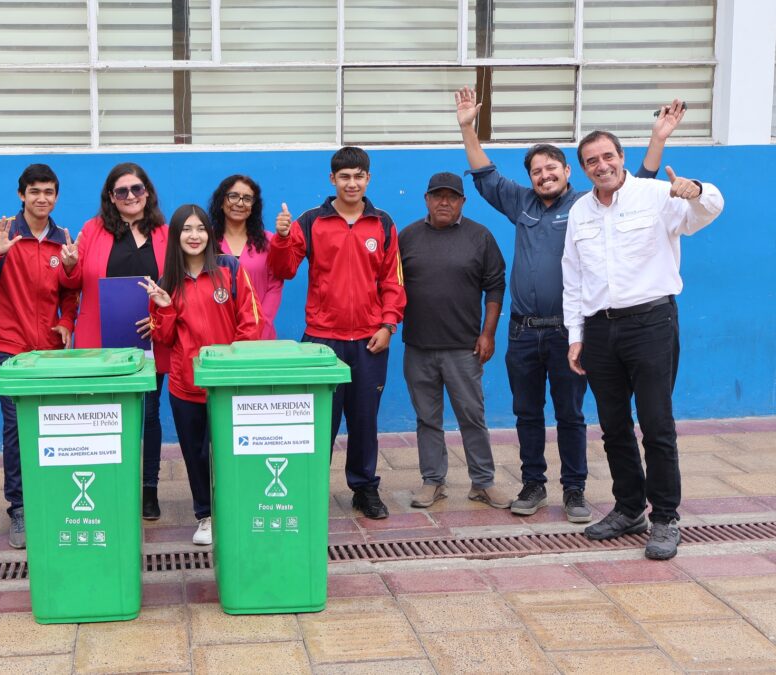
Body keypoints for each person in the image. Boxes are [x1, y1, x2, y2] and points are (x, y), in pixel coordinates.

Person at [454, 86, 686, 523]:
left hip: (570, 331)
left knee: (571, 415)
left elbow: (640, 184)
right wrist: (468, 128)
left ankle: (576, 490)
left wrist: (658, 140)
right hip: (523, 331)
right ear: (530, 178)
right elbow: (485, 175)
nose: (544, 175)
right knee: (526, 413)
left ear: (568, 171)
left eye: (551, 167)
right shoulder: (519, 202)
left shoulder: (588, 204)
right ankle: (533, 483)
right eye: (536, 170)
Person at [563, 130, 723, 560]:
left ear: (621, 157)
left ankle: (666, 518)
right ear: (584, 169)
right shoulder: (580, 211)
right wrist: (576, 337)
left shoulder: (657, 194)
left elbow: (707, 211)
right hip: (599, 331)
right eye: (592, 161)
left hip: (651, 323)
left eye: (608, 156)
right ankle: (629, 507)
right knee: (613, 427)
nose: (602, 165)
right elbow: (573, 278)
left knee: (656, 425)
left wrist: (697, 191)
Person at [268, 146, 405, 520]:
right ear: (332, 180)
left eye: (359, 176)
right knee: (315, 422)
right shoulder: (311, 221)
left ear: (368, 179)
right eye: (344, 176)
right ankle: (308, 488)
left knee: (364, 420)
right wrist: (281, 237)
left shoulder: (383, 223)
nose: (352, 183)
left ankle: (364, 489)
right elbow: (284, 269)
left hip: (369, 340)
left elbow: (392, 281)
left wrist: (388, 324)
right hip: (321, 340)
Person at [141, 204, 261, 544]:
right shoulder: (167, 282)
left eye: (201, 229)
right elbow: (162, 338)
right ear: (176, 237)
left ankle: (237, 508)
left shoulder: (230, 269)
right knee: (196, 454)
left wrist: (231, 367)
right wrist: (164, 308)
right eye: (186, 230)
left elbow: (250, 322)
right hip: (185, 385)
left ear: (210, 234)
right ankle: (205, 516)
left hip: (226, 384)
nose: (194, 236)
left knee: (229, 450)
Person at [0, 163, 79, 549]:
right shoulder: (1, 234)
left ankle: (51, 495)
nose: (42, 199)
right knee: (16, 428)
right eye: (34, 191)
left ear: (56, 196)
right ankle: (19, 508)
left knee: (52, 425)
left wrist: (67, 320)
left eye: (49, 192)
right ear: (22, 195)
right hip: (8, 348)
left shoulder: (62, 242)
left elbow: (71, 292)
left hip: (50, 350)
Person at [64, 162, 169, 521]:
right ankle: (107, 485)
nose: (130, 196)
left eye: (136, 189)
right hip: (100, 340)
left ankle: (148, 489)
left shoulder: (165, 233)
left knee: (150, 414)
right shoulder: (92, 230)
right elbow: (75, 280)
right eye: (121, 191)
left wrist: (160, 317)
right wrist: (69, 264)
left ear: (147, 193)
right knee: (104, 414)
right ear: (111, 197)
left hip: (151, 338)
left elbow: (175, 286)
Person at [400, 172, 509, 510]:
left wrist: (488, 333)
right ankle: (433, 481)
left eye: (451, 196)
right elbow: (389, 286)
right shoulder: (407, 237)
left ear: (463, 201)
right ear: (427, 200)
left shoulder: (480, 237)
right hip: (418, 347)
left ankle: (483, 482)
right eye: (437, 196)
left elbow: (495, 286)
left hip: (464, 348)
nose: (444, 202)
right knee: (427, 419)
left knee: (472, 417)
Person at [207, 175, 284, 338]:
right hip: (216, 333)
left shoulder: (269, 241)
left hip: (260, 335)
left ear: (253, 206)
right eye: (233, 196)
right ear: (221, 201)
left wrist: (260, 325)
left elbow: (275, 286)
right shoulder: (206, 242)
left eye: (247, 198)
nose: (240, 203)